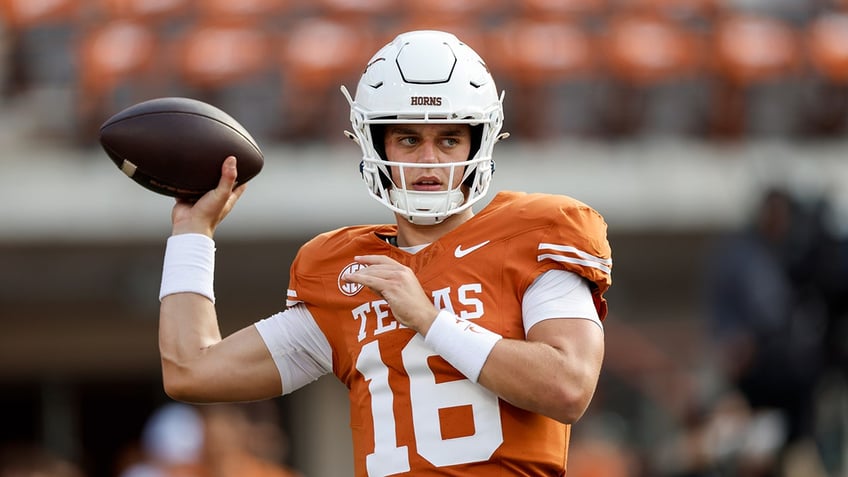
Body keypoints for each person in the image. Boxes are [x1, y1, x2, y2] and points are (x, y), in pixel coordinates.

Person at [157, 30, 612, 476]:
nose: (430, 160)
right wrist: (192, 232)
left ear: (480, 142)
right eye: (409, 140)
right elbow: (191, 371)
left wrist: (429, 319)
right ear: (376, 144)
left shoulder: (536, 234)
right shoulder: (348, 273)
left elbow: (567, 387)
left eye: (449, 139)